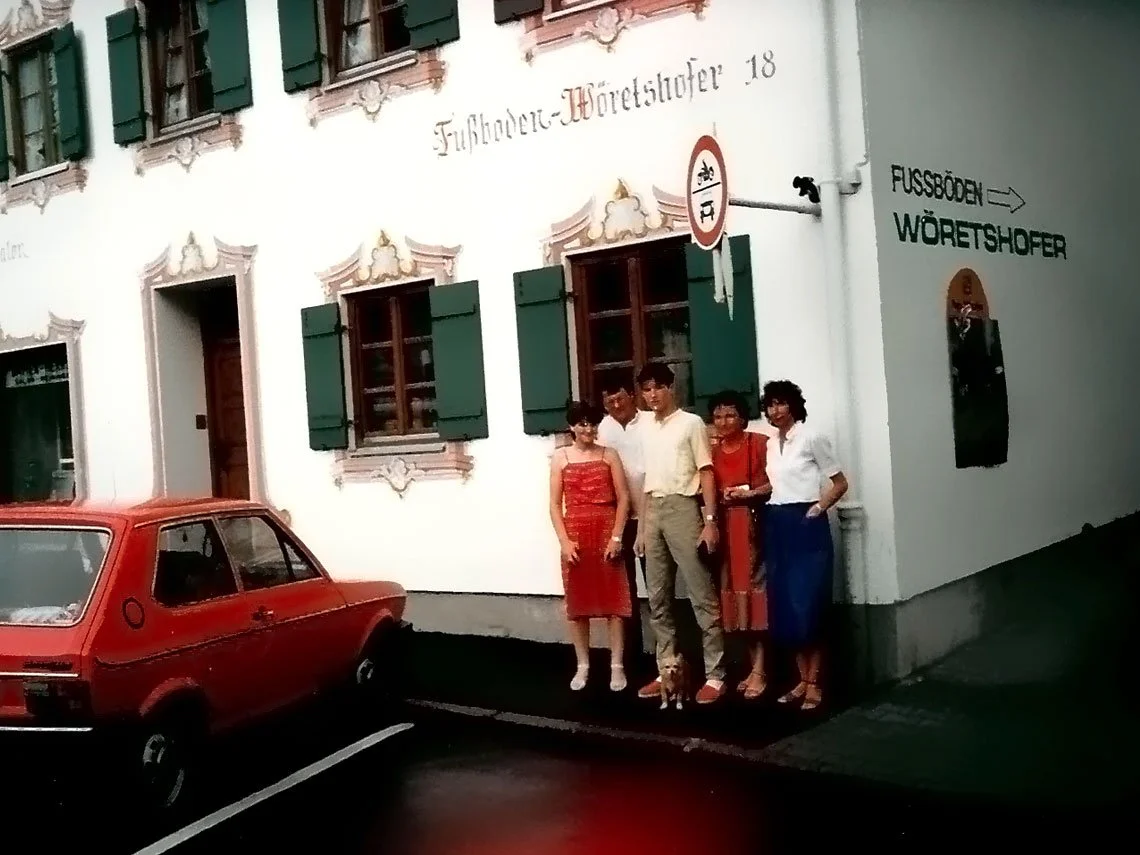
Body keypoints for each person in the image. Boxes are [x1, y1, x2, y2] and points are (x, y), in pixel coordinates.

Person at [633, 364, 727, 705]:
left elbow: (706, 472)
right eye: (646, 389)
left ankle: (716, 674)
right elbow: (647, 482)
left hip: (684, 508)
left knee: (701, 592)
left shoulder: (691, 423)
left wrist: (710, 520)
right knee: (658, 597)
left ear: (671, 387)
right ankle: (666, 669)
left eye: (658, 387)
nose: (652, 395)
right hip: (654, 510)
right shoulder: (645, 428)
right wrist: (642, 528)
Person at [761, 379, 848, 711]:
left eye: (781, 403)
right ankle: (801, 680)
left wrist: (817, 508)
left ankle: (815, 683)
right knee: (785, 604)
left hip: (806, 524)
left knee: (808, 601)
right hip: (778, 523)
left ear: (794, 406)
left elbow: (840, 483)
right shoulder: (770, 444)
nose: (775, 410)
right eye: (770, 405)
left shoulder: (812, 437)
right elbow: (774, 484)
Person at [549, 400, 632, 692]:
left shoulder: (609, 454)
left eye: (593, 424)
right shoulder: (561, 457)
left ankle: (616, 666)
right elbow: (554, 505)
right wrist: (564, 541)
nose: (588, 429)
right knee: (577, 604)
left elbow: (623, 497)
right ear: (572, 426)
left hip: (606, 529)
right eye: (582, 424)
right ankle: (583, 664)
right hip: (576, 534)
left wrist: (617, 536)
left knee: (614, 604)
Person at [709, 389, 771, 700]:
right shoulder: (712, 452)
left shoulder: (758, 444)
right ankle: (752, 666)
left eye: (730, 414)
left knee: (755, 595)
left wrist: (747, 494)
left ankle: (761, 669)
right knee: (736, 598)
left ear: (743, 417)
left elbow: (776, 482)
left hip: (751, 525)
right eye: (718, 415)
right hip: (724, 529)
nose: (723, 421)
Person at [596, 377, 647, 668]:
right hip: (618, 521)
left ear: (632, 395)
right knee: (623, 589)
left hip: (651, 515)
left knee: (658, 586)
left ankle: (665, 659)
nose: (617, 406)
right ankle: (631, 656)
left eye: (621, 399)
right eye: (610, 402)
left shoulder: (650, 423)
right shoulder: (602, 430)